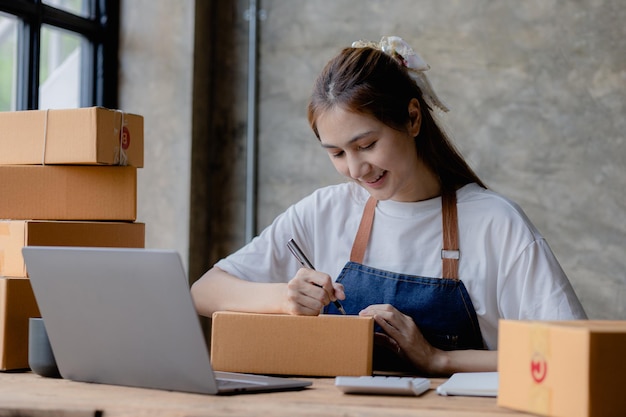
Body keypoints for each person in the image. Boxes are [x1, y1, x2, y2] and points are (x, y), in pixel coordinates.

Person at [191, 36, 587, 376]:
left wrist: (439, 360)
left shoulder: (495, 223)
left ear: (413, 118)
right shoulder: (324, 211)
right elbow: (204, 291)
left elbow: (569, 352)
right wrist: (283, 299)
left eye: (366, 145)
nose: (356, 169)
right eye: (337, 153)